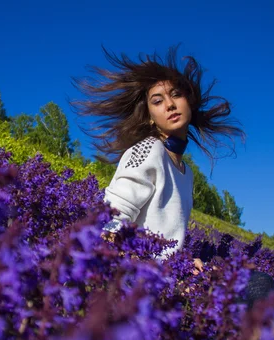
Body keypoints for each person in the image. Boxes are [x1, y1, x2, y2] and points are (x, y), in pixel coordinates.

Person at [73, 45, 245, 262]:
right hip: (139, 276)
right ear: (150, 117)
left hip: (167, 277)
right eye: (158, 101)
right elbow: (110, 220)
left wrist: (188, 263)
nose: (170, 105)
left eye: (176, 95)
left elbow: (167, 242)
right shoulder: (149, 149)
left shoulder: (186, 173)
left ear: (189, 102)